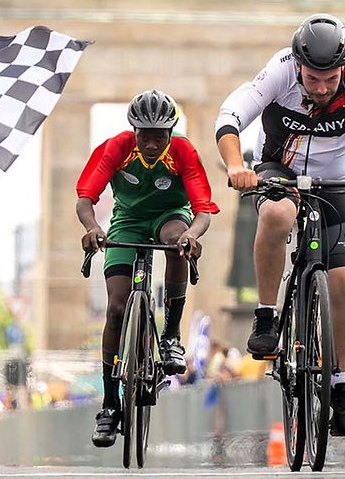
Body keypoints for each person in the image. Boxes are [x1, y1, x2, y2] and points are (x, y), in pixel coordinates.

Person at [215, 14, 345, 436]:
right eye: (313, 79)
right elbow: (231, 115)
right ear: (298, 66)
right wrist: (236, 165)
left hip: (337, 180)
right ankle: (267, 316)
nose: (322, 87)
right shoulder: (280, 70)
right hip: (278, 169)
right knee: (275, 213)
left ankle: (341, 384)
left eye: (330, 79)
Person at [76, 89, 218, 447]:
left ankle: (170, 335)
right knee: (116, 309)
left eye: (160, 137)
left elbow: (202, 208)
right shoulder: (117, 148)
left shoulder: (183, 152)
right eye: (145, 136)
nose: (152, 144)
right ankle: (110, 405)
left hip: (170, 218)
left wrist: (192, 235)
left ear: (171, 133)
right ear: (134, 131)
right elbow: (85, 199)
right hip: (127, 220)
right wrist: (93, 228)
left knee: (176, 243)